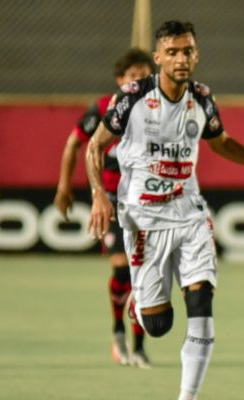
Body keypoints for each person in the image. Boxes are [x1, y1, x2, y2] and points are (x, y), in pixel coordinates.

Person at [85, 20, 244, 400]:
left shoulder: (202, 99)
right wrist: (99, 194)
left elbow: (222, 144)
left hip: (189, 213)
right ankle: (143, 301)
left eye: (187, 51)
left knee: (201, 298)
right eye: (172, 51)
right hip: (143, 219)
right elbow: (94, 146)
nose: (181, 58)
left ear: (196, 54)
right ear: (158, 58)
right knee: (157, 325)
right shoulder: (132, 97)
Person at [54, 48, 155, 368]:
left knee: (147, 275)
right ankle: (117, 333)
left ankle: (139, 346)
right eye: (132, 76)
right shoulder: (103, 108)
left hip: (149, 201)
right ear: (120, 80)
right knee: (122, 266)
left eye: (143, 75)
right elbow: (74, 143)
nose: (138, 81)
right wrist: (64, 185)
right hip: (112, 200)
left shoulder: (158, 108)